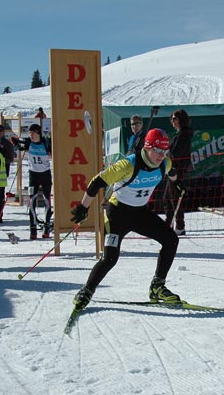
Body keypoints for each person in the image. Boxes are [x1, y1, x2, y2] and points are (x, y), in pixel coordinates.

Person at [68, 128, 184, 314]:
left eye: (164, 151)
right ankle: (86, 291)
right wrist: (83, 207)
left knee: (171, 240)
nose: (161, 155)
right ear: (147, 147)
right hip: (117, 214)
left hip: (140, 213)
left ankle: (157, 285)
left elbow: (172, 171)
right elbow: (97, 181)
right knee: (110, 258)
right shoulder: (128, 165)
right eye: (157, 150)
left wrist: (177, 183)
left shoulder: (165, 163)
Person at [164, 109, 194, 236]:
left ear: (181, 119)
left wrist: (166, 154)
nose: (173, 121)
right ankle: (169, 224)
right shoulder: (180, 134)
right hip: (172, 169)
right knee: (168, 197)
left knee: (175, 197)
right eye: (172, 119)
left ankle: (179, 226)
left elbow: (176, 154)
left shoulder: (183, 136)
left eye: (175, 119)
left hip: (177, 170)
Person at [24, 123, 52, 239]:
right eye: (29, 133)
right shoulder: (28, 143)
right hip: (33, 175)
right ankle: (33, 229)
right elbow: (15, 143)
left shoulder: (45, 143)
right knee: (32, 202)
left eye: (33, 133)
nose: (31, 135)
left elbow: (53, 152)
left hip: (45, 174)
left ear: (38, 133)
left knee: (47, 201)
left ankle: (46, 227)